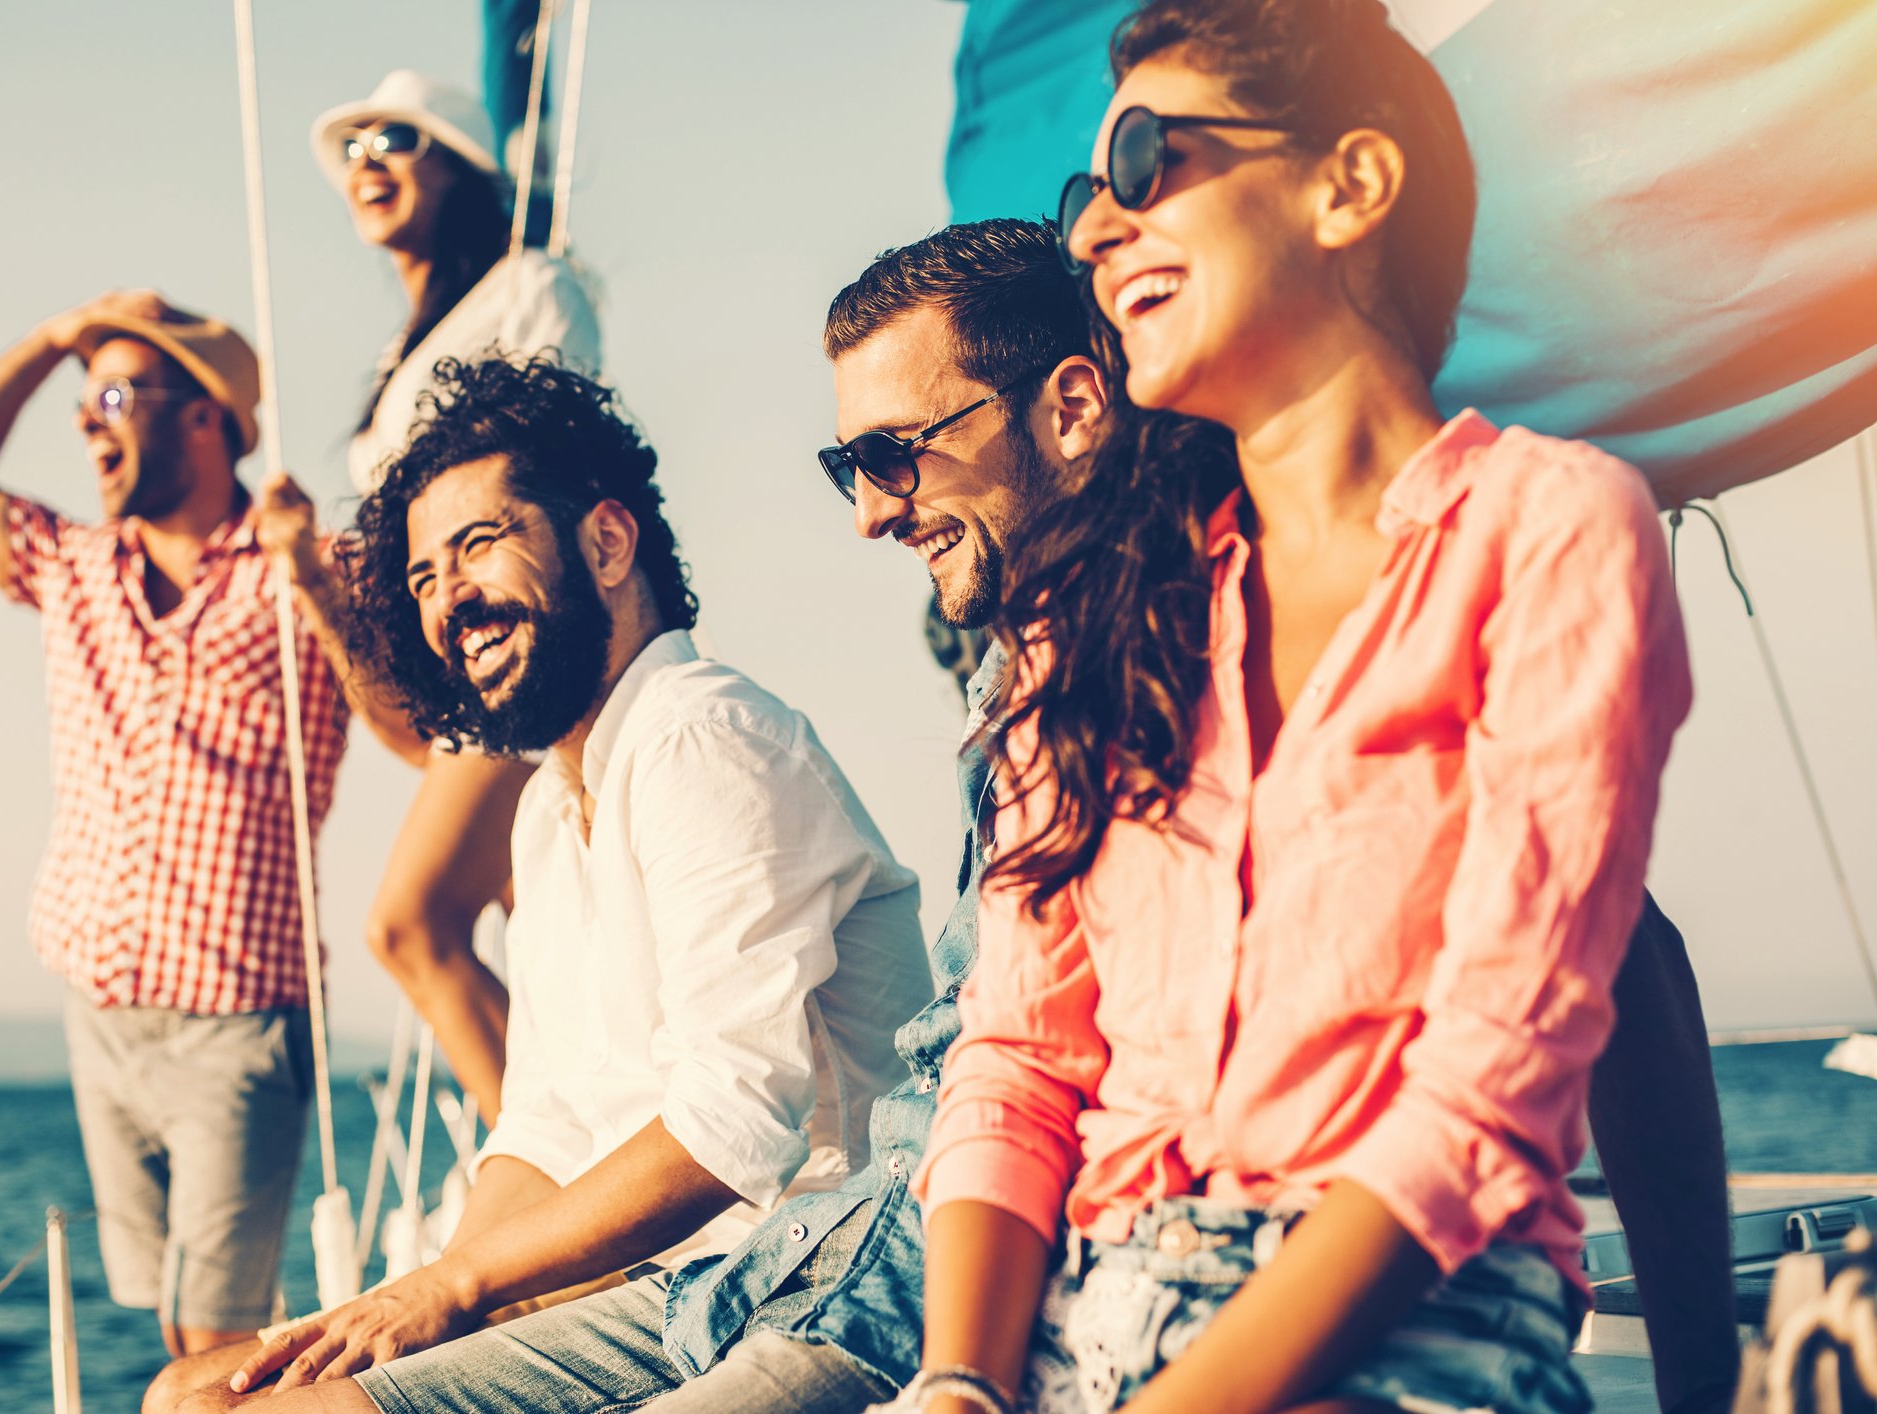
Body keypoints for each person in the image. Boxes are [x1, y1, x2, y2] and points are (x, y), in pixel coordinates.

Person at [895, 3, 1699, 1413]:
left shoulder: (1548, 532)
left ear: (1350, 186)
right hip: (1081, 1321)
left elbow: (1487, 1081)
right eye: (1086, 201)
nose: (1096, 233)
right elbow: (1017, 1059)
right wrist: (958, 1382)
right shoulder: (1086, 610)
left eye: (1145, 162)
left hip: (1412, 1327)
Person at [148, 353, 929, 1413]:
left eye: (480, 544)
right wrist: (419, 1309)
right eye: (424, 579)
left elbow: (735, 1125)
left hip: (804, 1275)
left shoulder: (704, 737)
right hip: (667, 1289)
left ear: (607, 543)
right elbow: (547, 1125)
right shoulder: (553, 806)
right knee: (194, 1393)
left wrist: (453, 1290)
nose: (449, 601)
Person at [0, 291, 355, 1357]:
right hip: (97, 1009)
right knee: (169, 1322)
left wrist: (318, 586)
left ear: (205, 416)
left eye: (112, 396)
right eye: (81, 401)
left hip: (237, 1019)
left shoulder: (303, 569)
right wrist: (57, 338)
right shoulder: (72, 566)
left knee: (216, 1339)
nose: (84, 422)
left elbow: (412, 734)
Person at [313, 69, 603, 1119]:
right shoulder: (412, 342)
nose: (367, 162)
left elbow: (546, 461)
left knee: (413, 923)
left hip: (526, 644)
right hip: (455, 663)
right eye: (353, 147)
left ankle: (542, 1176)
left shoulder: (530, 287)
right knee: (560, 946)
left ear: (464, 165)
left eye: (396, 139)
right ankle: (578, 1146)